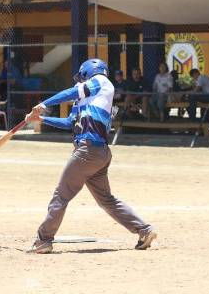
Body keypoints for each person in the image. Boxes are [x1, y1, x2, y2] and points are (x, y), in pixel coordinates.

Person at [23, 58, 157, 254]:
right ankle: (144, 230)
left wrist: (43, 104)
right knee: (106, 200)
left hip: (87, 151)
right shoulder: (88, 99)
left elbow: (70, 92)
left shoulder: (102, 82)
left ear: (88, 72)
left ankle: (44, 240)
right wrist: (41, 118)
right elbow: (69, 122)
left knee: (61, 196)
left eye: (81, 77)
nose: (79, 81)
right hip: (97, 154)